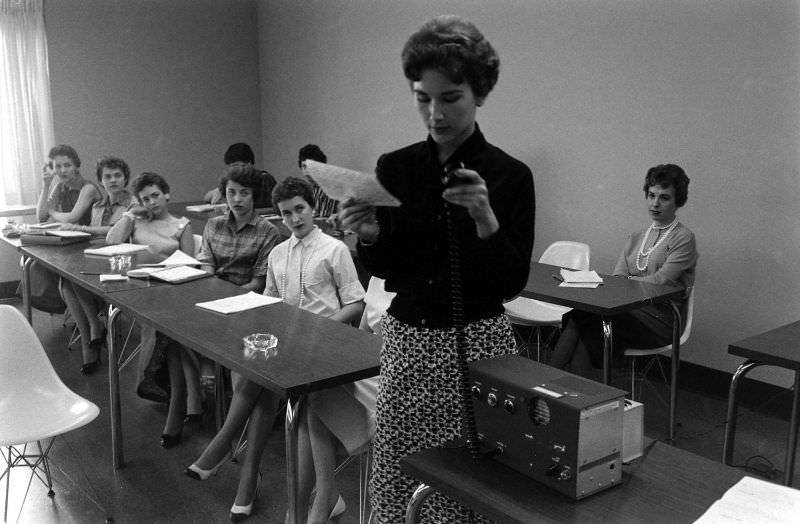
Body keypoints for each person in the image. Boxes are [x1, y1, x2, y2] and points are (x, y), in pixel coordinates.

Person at [338, 15, 535, 523]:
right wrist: (369, 235)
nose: (435, 112)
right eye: (422, 97)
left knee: (470, 484)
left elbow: (510, 284)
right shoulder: (396, 168)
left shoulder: (509, 175)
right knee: (402, 472)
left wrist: (485, 219)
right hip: (409, 345)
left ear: (480, 93)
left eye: (451, 97)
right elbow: (386, 270)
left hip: (477, 349)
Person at [185, 176, 364, 523]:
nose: (295, 219)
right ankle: (315, 498)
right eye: (287, 213)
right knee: (256, 370)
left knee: (292, 398)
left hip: (325, 346)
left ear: (312, 208)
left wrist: (320, 329)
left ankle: (224, 444)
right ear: (279, 216)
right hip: (289, 342)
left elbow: (355, 303)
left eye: (300, 210)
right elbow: (270, 300)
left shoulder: (334, 250)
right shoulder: (279, 253)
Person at [548, 164, 697, 377]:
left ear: (677, 201)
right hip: (627, 310)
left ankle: (549, 384)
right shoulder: (637, 237)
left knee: (585, 321)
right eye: (651, 195)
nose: (655, 203)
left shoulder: (683, 238)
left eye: (664, 198)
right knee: (584, 318)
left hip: (661, 319)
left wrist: (628, 281)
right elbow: (617, 277)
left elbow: (661, 282)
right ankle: (567, 392)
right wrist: (628, 280)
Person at [106, 172, 203, 448]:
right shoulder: (136, 221)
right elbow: (112, 242)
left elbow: (190, 265)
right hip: (142, 293)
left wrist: (157, 259)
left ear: (167, 194)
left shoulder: (181, 226)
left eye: (155, 196)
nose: (151, 202)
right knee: (167, 330)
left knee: (167, 331)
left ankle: (180, 405)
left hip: (175, 293)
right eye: (145, 198)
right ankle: (192, 400)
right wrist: (129, 214)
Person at [298, 276, 394, 523]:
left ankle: (318, 501)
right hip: (370, 367)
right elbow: (362, 334)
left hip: (396, 379)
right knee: (316, 389)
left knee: (316, 396)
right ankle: (320, 498)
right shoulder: (378, 277)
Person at [59, 156, 134, 374]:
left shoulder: (134, 203)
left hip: (123, 262)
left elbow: (115, 234)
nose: (113, 180)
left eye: (118, 175)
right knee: (66, 279)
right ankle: (93, 327)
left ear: (125, 178)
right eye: (107, 176)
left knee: (73, 278)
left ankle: (92, 336)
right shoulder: (98, 206)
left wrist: (83, 229)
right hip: (96, 259)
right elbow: (96, 240)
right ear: (100, 181)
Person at [197, 164, 281, 291]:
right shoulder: (213, 225)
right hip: (213, 292)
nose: (237, 199)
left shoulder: (268, 232)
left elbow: (258, 283)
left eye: (244, 193)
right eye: (231, 192)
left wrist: (228, 297)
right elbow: (207, 266)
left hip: (246, 298)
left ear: (254, 195)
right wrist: (211, 290)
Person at [36, 144, 102, 225]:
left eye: (67, 165)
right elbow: (41, 217)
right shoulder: (60, 187)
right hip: (74, 234)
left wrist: (51, 212)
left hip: (94, 235)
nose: (63, 170)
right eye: (58, 166)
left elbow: (72, 218)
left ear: (76, 166)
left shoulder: (88, 188)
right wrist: (46, 185)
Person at [204, 143, 277, 209]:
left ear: (249, 163)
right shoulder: (234, 181)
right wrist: (218, 190)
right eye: (230, 166)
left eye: (235, 165)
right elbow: (207, 197)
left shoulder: (265, 179)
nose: (232, 169)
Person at [298, 144, 338, 218]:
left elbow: (323, 221)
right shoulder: (313, 187)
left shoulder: (328, 186)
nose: (306, 172)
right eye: (304, 166)